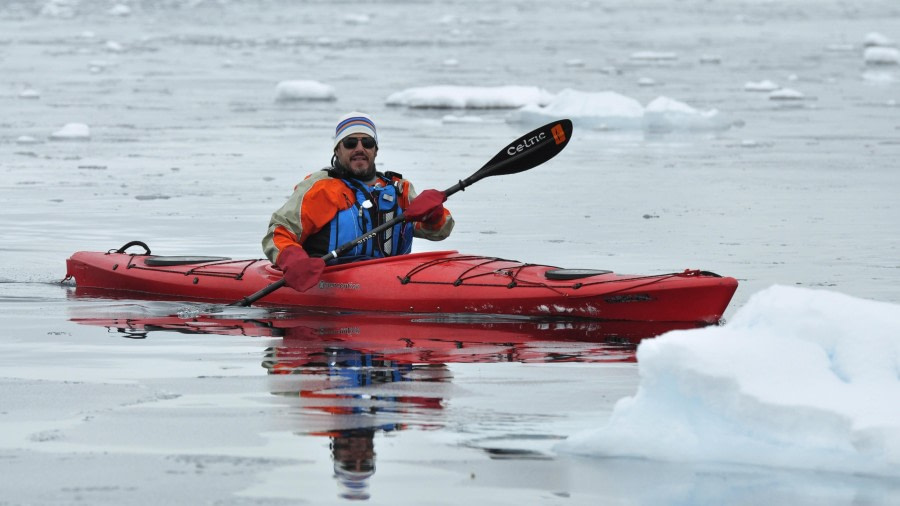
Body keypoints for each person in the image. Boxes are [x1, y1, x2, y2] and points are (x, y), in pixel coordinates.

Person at [262, 112, 454, 292]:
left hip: (397, 281)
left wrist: (434, 214)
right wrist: (294, 261)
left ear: (376, 150)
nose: (360, 149)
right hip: (332, 283)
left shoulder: (399, 190)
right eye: (351, 143)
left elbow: (440, 231)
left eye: (368, 143)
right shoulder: (321, 189)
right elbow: (278, 233)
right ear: (337, 149)